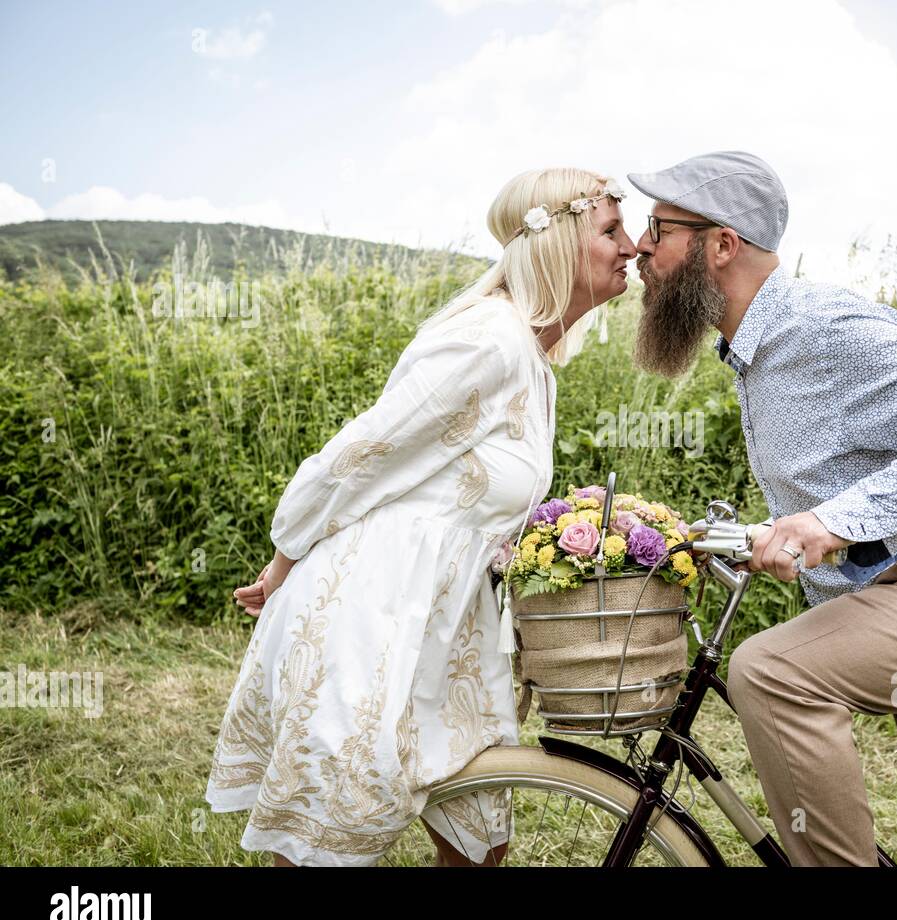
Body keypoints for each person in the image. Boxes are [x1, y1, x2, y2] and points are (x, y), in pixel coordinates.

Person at [205, 168, 637, 866]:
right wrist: (286, 557)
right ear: (555, 243)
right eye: (611, 230)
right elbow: (363, 453)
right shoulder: (487, 342)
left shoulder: (530, 358)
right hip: (373, 613)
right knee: (328, 844)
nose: (634, 247)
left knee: (479, 844)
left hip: (450, 625)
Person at [628, 150, 897, 866]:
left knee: (771, 673)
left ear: (721, 244)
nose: (641, 246)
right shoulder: (754, 351)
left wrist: (832, 523)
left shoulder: (822, 328)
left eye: (658, 228)